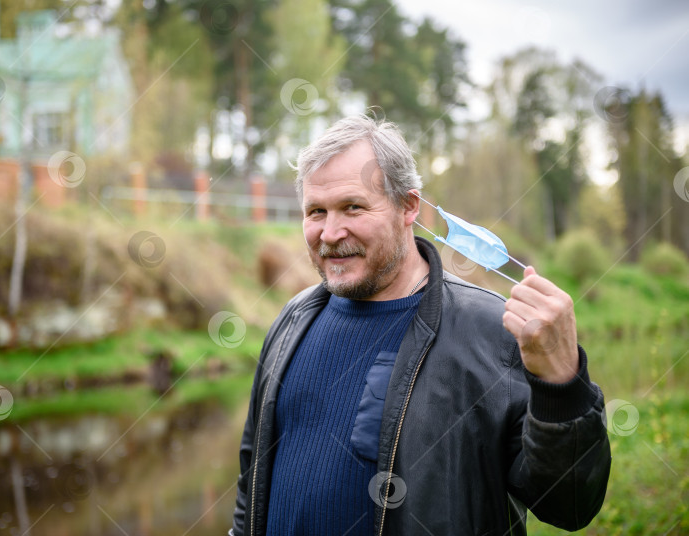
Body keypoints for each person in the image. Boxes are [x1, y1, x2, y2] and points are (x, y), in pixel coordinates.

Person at [230, 115, 611, 536]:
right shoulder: (291, 321)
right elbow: (252, 482)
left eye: (352, 207)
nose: (331, 232)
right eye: (316, 212)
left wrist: (562, 384)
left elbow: (570, 504)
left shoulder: (490, 330)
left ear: (409, 206)